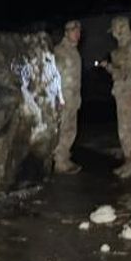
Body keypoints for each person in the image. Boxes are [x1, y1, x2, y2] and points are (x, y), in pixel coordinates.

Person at [101, 15, 131, 178]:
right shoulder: (123, 47)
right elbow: (120, 72)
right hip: (121, 91)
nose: (113, 34)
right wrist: (108, 67)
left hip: (128, 91)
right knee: (123, 129)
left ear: (121, 28)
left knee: (126, 128)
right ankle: (129, 162)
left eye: (114, 30)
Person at [52, 20, 83, 173]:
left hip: (73, 98)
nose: (77, 34)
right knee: (63, 130)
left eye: (78, 31)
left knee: (71, 130)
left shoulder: (74, 51)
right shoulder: (60, 51)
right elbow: (53, 75)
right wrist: (57, 98)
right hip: (63, 98)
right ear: (66, 33)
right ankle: (60, 161)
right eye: (73, 31)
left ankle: (64, 157)